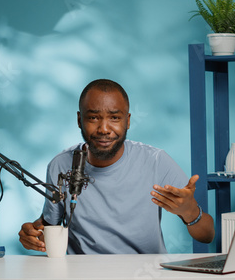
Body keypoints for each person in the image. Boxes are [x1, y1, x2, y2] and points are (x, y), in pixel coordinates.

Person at [19, 79, 214, 254]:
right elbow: (48, 228)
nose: (104, 129)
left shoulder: (156, 161)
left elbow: (207, 235)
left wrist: (190, 212)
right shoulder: (60, 165)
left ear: (127, 121)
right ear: (80, 120)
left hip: (145, 274)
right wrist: (32, 235)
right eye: (94, 118)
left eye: (114, 118)